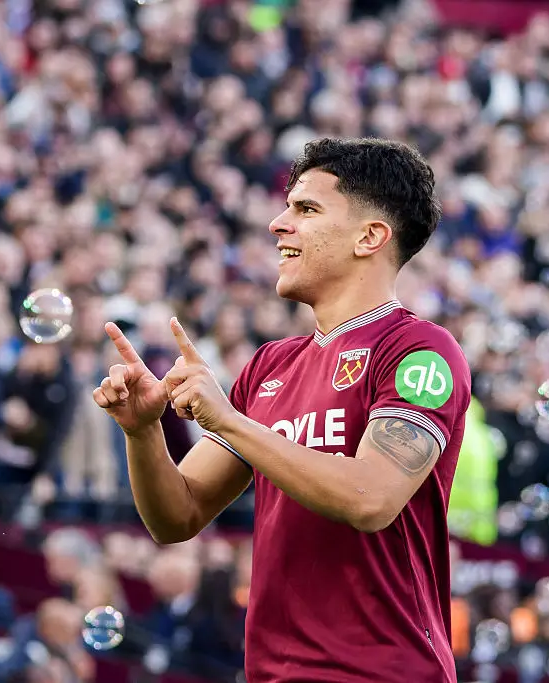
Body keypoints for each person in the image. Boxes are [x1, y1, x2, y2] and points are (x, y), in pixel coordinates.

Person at [93, 138, 470, 682]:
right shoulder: (271, 364)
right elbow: (178, 516)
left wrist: (227, 420)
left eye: (306, 209)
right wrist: (143, 431)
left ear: (370, 237)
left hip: (383, 672)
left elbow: (370, 498)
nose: (277, 224)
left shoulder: (420, 351)